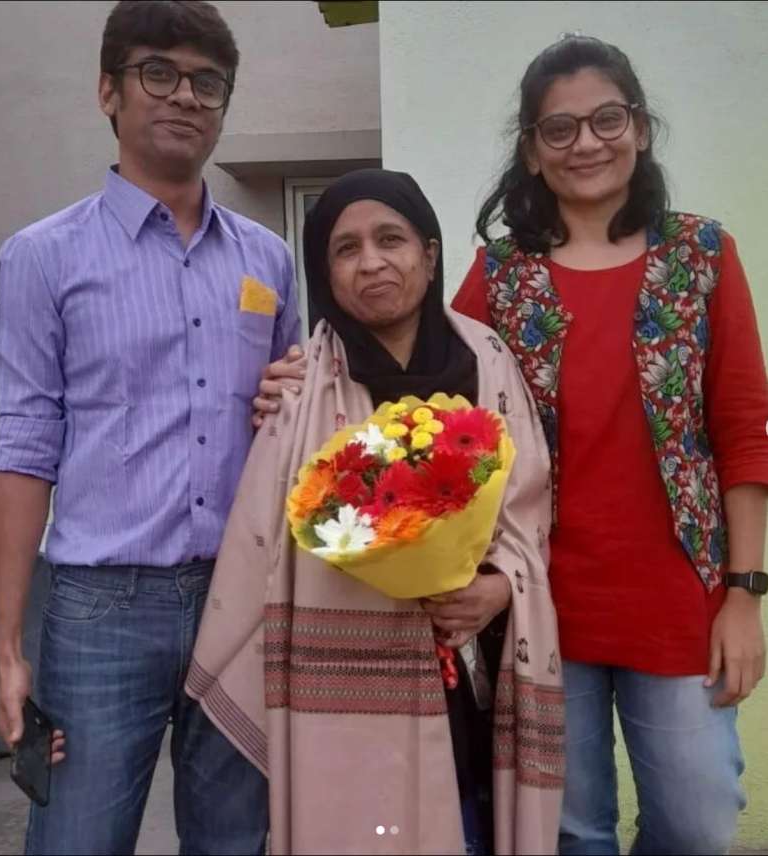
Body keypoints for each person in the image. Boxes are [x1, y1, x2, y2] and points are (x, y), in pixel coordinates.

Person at [0, 2, 299, 853]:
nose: (185, 96)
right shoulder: (43, 256)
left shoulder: (267, 260)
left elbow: (293, 423)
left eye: (207, 82)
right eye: (158, 72)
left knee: (235, 838)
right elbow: (22, 446)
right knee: (78, 838)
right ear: (108, 92)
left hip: (240, 595)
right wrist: (8, 646)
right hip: (101, 608)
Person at [451, 35, 768, 856]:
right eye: (558, 129)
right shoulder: (501, 277)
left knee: (699, 823)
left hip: (676, 600)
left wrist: (745, 592)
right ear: (530, 150)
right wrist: (315, 367)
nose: (586, 142)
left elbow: (742, 430)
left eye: (606, 119)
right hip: (541, 604)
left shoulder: (701, 256)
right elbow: (440, 412)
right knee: (569, 832)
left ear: (640, 128)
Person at [186, 168, 565, 855]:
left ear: (427, 249)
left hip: (471, 670)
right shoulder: (300, 390)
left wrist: (496, 587)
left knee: (469, 825)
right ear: (324, 273)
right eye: (346, 248)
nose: (372, 262)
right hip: (343, 686)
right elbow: (263, 546)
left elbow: (530, 505)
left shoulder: (489, 363)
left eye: (390, 239)